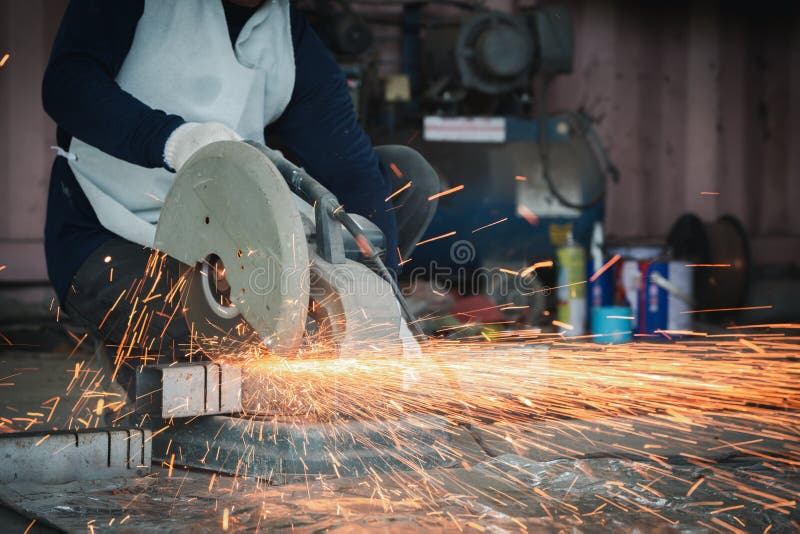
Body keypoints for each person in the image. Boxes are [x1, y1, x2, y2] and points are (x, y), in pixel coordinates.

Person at [43, 0, 438, 392]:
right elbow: (67, 84)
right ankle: (148, 365)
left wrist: (382, 306)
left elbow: (349, 171)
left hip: (230, 233)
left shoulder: (288, 34)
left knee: (407, 177)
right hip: (112, 232)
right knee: (253, 342)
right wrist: (172, 140)